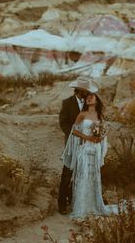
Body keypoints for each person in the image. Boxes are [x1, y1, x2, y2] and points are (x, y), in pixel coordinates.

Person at [61, 92, 118, 219]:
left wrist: (100, 137)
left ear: (97, 100)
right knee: (84, 175)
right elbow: (74, 131)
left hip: (96, 149)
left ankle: (94, 205)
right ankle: (81, 207)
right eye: (87, 98)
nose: (88, 98)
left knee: (94, 176)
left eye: (91, 97)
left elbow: (103, 133)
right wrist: (88, 137)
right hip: (85, 147)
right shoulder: (82, 114)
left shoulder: (99, 117)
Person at [58, 76, 99, 214]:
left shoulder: (89, 103)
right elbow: (63, 122)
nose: (88, 93)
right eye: (86, 91)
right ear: (80, 91)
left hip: (86, 145)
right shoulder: (67, 103)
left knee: (81, 173)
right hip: (71, 144)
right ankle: (62, 205)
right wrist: (74, 135)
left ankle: (74, 202)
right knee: (67, 173)